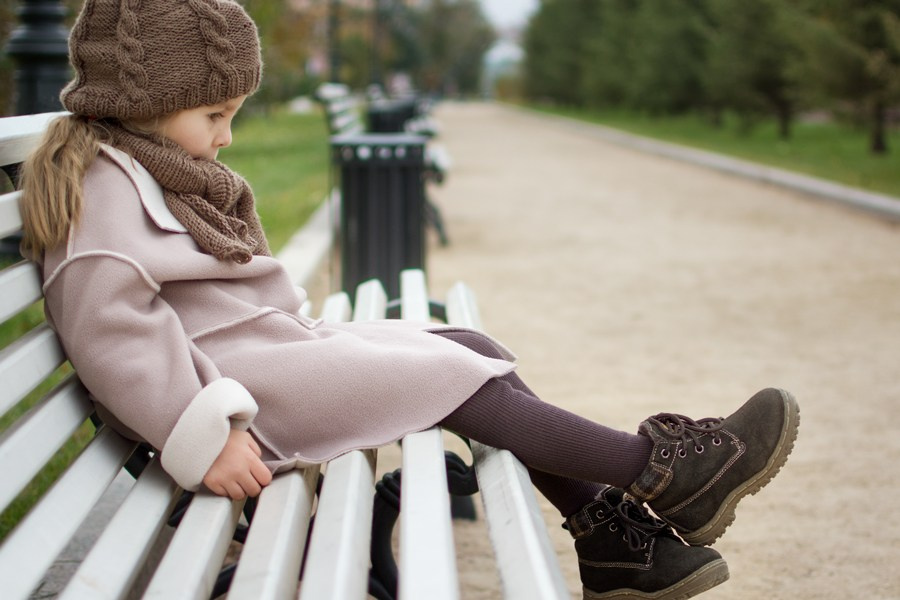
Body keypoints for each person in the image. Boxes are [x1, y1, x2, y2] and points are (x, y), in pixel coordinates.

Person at [19, 1, 800, 598]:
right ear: (143, 104)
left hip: (264, 357)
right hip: (239, 398)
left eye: (232, 116)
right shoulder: (103, 189)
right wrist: (203, 435)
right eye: (214, 116)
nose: (226, 137)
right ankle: (655, 472)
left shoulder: (139, 163)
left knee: (466, 349)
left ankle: (616, 543)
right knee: (442, 379)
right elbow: (115, 335)